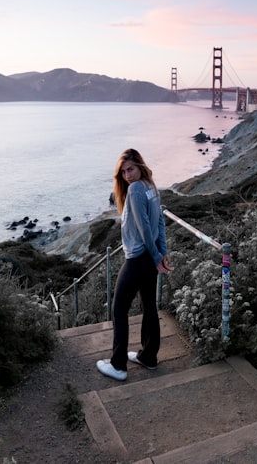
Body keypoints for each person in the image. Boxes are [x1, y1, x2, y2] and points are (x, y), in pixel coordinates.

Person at [96, 148, 172, 381]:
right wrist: (162, 252)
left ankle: (118, 365)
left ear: (140, 165)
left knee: (119, 308)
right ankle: (148, 357)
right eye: (123, 172)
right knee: (149, 305)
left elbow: (144, 227)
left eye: (130, 169)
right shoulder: (151, 187)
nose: (127, 175)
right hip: (149, 257)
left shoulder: (137, 189)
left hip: (138, 258)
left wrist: (158, 256)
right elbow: (159, 223)